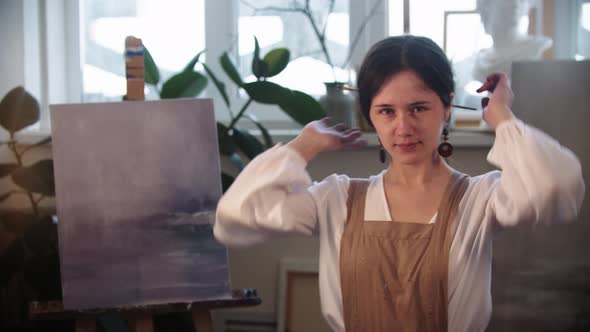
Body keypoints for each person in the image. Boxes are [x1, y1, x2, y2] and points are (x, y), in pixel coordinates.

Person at [214, 35, 585, 332]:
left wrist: (502, 116)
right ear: (370, 115)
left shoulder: (482, 200)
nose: (403, 128)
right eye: (386, 111)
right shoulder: (337, 200)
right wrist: (303, 146)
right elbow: (236, 215)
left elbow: (556, 188)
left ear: (448, 106)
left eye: (419, 108)